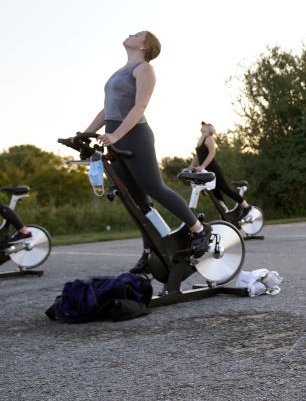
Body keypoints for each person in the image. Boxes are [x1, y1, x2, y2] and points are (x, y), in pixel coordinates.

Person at [80, 31, 209, 273]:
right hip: (115, 140)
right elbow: (107, 109)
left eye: (137, 34)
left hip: (135, 137)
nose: (131, 34)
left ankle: (199, 229)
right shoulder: (120, 72)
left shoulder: (144, 69)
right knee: (136, 200)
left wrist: (117, 135)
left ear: (144, 45)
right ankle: (151, 251)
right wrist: (84, 134)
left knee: (154, 188)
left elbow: (140, 106)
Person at [189, 122, 252, 217]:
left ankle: (247, 207)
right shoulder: (200, 140)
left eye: (205, 125)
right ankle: (225, 213)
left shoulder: (209, 138)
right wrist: (190, 166)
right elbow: (197, 156)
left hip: (213, 168)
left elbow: (212, 153)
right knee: (215, 193)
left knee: (225, 189)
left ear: (209, 129)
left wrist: (202, 166)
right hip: (206, 170)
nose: (203, 126)